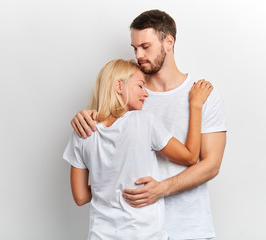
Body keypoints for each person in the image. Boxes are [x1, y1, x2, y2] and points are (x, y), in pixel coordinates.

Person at [70, 10, 227, 240]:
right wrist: (81, 117)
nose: (138, 54)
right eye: (134, 48)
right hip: (139, 230)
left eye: (145, 46)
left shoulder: (202, 96)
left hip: (190, 227)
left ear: (168, 42)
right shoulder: (131, 99)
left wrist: (161, 189)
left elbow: (211, 165)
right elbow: (103, 133)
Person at [64, 58, 213, 239]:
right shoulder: (144, 121)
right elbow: (190, 157)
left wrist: (107, 185)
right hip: (145, 233)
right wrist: (196, 105)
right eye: (141, 86)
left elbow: (80, 197)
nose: (146, 93)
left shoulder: (82, 132)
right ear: (119, 86)